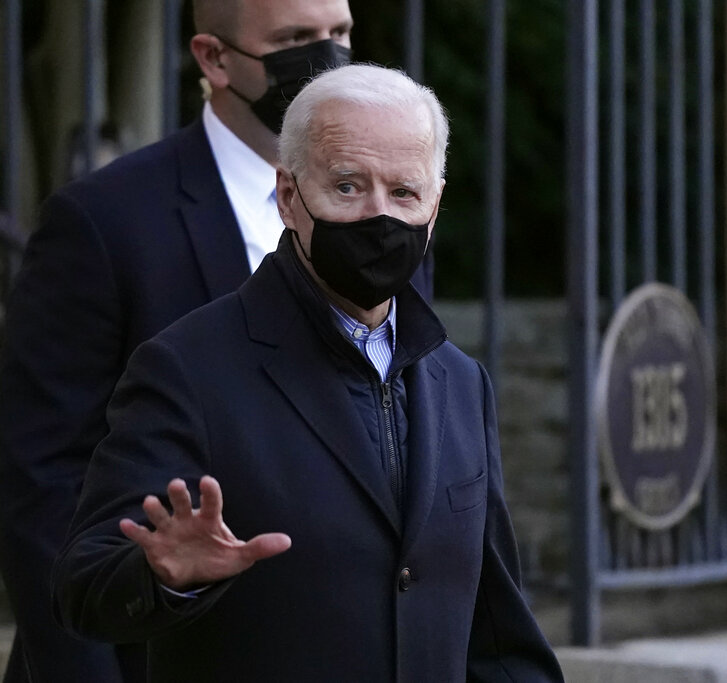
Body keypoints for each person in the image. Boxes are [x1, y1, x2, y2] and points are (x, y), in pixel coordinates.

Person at [52, 64, 563, 682]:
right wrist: (162, 576)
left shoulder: (459, 382)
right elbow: (84, 587)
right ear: (289, 197)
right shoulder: (187, 367)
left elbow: (496, 630)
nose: (380, 216)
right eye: (348, 186)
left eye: (404, 193)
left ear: (435, 204)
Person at [0, 2, 437, 681]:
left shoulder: (390, 221)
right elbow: (41, 488)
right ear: (213, 58)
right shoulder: (103, 224)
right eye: (295, 40)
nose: (327, 56)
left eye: (340, 34)